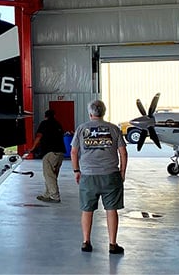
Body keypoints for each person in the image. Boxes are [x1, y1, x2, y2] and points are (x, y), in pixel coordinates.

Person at [70, 99, 127, 255]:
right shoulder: (114, 129)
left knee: (87, 210)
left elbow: (74, 152)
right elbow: (123, 152)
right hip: (111, 175)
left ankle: (86, 242)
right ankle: (113, 244)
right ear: (104, 112)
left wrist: (76, 170)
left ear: (90, 113)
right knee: (111, 210)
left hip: (88, 176)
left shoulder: (82, 129)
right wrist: (122, 172)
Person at [26, 109, 66, 203]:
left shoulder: (44, 123)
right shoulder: (58, 124)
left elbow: (39, 136)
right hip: (60, 153)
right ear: (54, 116)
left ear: (45, 116)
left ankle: (54, 196)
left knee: (49, 175)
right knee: (53, 175)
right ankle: (48, 194)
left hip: (50, 153)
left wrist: (32, 148)